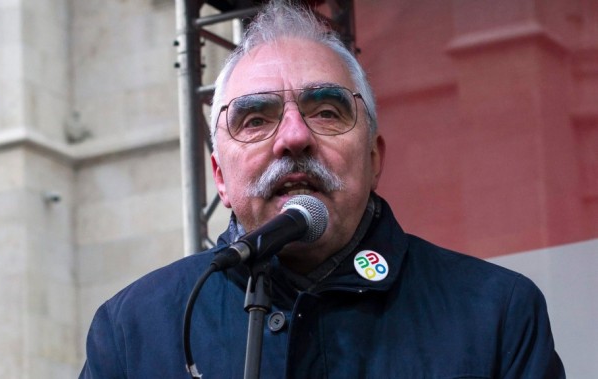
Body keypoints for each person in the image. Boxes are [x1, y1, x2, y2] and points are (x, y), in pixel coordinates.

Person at [79, 1, 565, 378]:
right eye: (255, 118)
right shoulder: (133, 329)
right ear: (220, 179)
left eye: (327, 112)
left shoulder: (496, 313)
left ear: (373, 158)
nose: (293, 137)